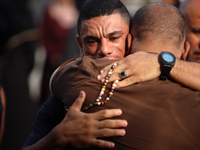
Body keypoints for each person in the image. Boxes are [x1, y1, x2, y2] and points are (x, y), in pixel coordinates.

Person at [23, 0, 200, 149]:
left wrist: (161, 62)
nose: (104, 51)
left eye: (114, 38)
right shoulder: (71, 96)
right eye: (91, 41)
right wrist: (57, 138)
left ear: (129, 40)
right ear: (80, 44)